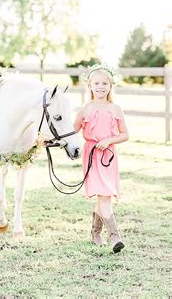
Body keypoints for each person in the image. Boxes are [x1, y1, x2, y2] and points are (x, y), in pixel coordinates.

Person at [73, 65, 129, 253]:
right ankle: (115, 237)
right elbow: (71, 132)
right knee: (104, 197)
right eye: (96, 83)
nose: (100, 87)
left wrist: (109, 140)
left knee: (104, 196)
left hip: (109, 157)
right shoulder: (85, 110)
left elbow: (125, 134)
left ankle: (96, 233)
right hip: (92, 156)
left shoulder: (116, 108)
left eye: (104, 83)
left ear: (110, 85)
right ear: (89, 85)